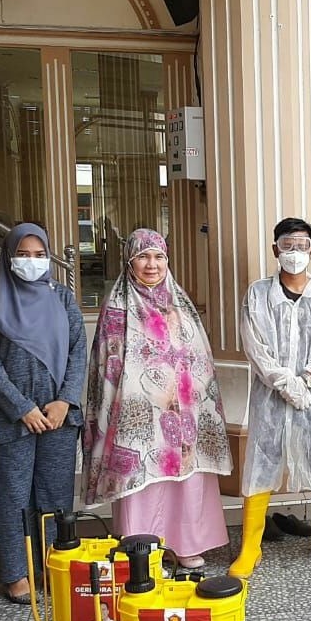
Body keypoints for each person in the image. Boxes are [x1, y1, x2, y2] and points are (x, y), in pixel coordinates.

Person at [82, 229, 231, 569]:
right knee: (142, 480)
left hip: (182, 414)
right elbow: (106, 365)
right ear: (129, 261)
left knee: (185, 477)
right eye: (143, 257)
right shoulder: (117, 306)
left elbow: (198, 359)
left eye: (158, 257)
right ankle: (142, 550)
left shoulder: (180, 304)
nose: (152, 264)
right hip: (137, 416)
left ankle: (185, 543)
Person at [0, 223, 87, 603]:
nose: (31, 262)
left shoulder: (63, 298)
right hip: (12, 417)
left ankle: (53, 565)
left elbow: (77, 351)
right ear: (8, 256)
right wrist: (22, 408)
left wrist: (65, 400)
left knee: (55, 497)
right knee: (13, 495)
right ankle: (16, 574)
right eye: (23, 254)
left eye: (40, 255)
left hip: (58, 416)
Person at [232, 218, 311, 574]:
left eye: (303, 246)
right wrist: (284, 381)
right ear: (275, 250)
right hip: (271, 397)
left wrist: (309, 377)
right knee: (260, 464)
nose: (296, 253)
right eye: (289, 245)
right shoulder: (257, 294)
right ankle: (250, 548)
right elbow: (254, 344)